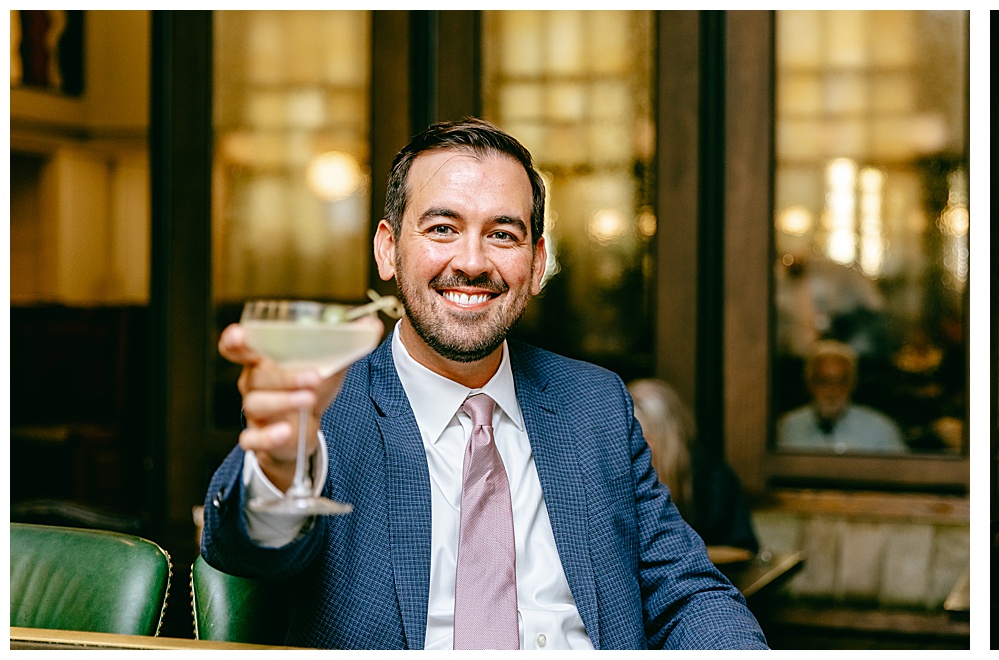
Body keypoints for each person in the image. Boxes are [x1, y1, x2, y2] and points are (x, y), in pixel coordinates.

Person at [200, 118, 768, 650]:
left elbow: (686, 592)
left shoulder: (595, 405)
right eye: (442, 228)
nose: (472, 261)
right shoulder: (328, 406)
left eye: (502, 234)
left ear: (537, 261)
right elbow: (245, 548)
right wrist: (277, 469)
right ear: (387, 249)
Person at [627, 378, 759, 553]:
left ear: (666, 438)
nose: (631, 450)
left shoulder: (711, 478)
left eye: (642, 440)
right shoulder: (617, 477)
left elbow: (740, 548)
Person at [776, 340, 905, 454]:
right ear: (810, 383)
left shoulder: (881, 430)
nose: (833, 391)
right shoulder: (789, 428)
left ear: (852, 384)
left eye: (841, 382)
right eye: (824, 381)